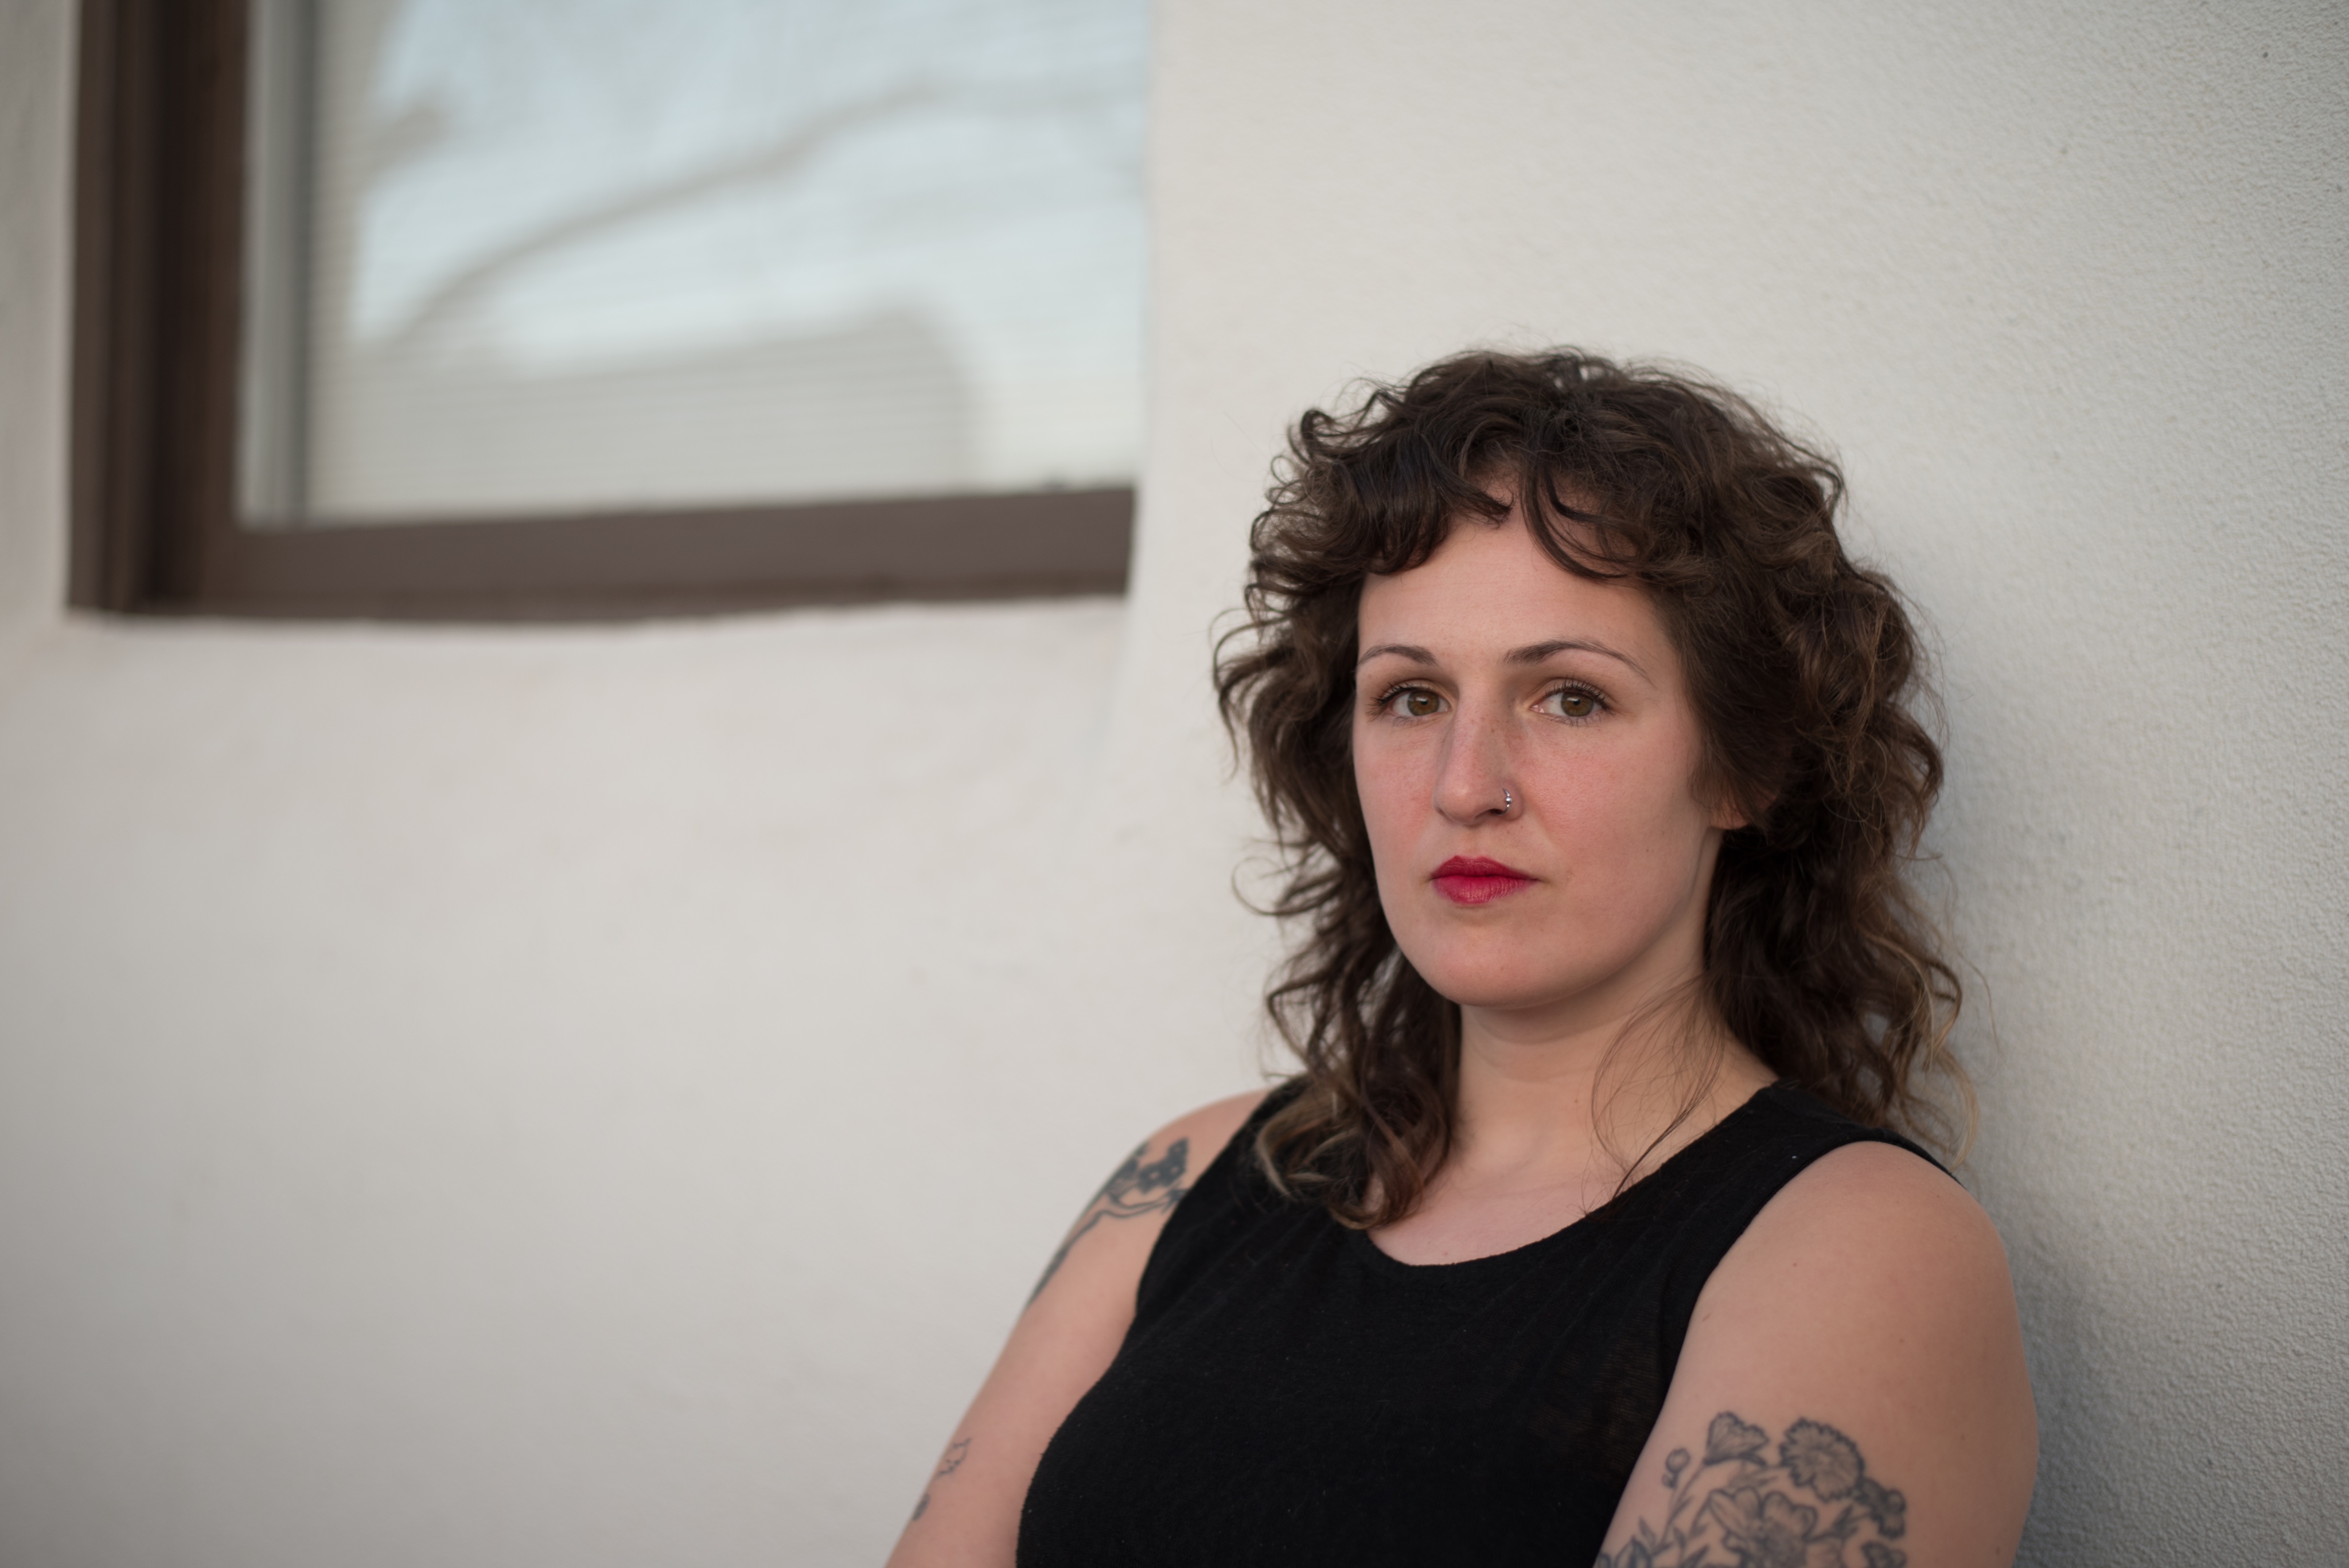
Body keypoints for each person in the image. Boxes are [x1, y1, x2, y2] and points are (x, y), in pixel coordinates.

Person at [884, 350, 2038, 1567]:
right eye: (1411, 697)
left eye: (1570, 697)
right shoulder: (1189, 1179)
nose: (1465, 784)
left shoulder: (1857, 1250)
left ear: (1745, 767)